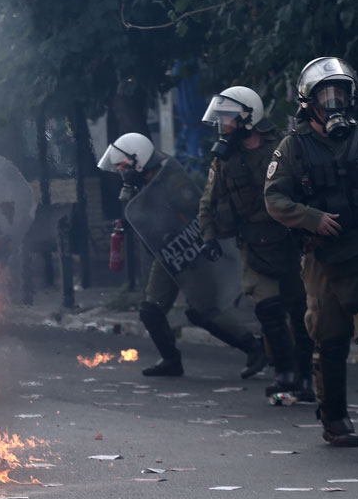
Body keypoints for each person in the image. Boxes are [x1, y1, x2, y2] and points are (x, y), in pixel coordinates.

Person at [264, 56, 358, 451]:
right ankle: (335, 419)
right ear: (308, 102)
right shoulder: (293, 147)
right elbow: (274, 197)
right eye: (326, 94)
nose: (335, 102)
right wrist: (310, 218)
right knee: (330, 339)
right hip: (323, 258)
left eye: (341, 93)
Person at [98, 132, 266, 378]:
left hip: (191, 252)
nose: (123, 172)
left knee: (202, 311)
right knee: (150, 311)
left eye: (124, 166)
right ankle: (170, 360)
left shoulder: (171, 177)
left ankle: (254, 347)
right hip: (166, 254)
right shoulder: (141, 184)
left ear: (140, 159)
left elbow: (193, 209)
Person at [198, 86, 314, 401]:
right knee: (268, 307)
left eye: (228, 119)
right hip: (253, 243)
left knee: (300, 309)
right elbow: (210, 200)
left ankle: (306, 376)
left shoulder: (284, 146)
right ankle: (285, 372)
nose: (224, 126)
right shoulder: (224, 159)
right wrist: (208, 236)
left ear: (249, 117)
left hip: (289, 240)